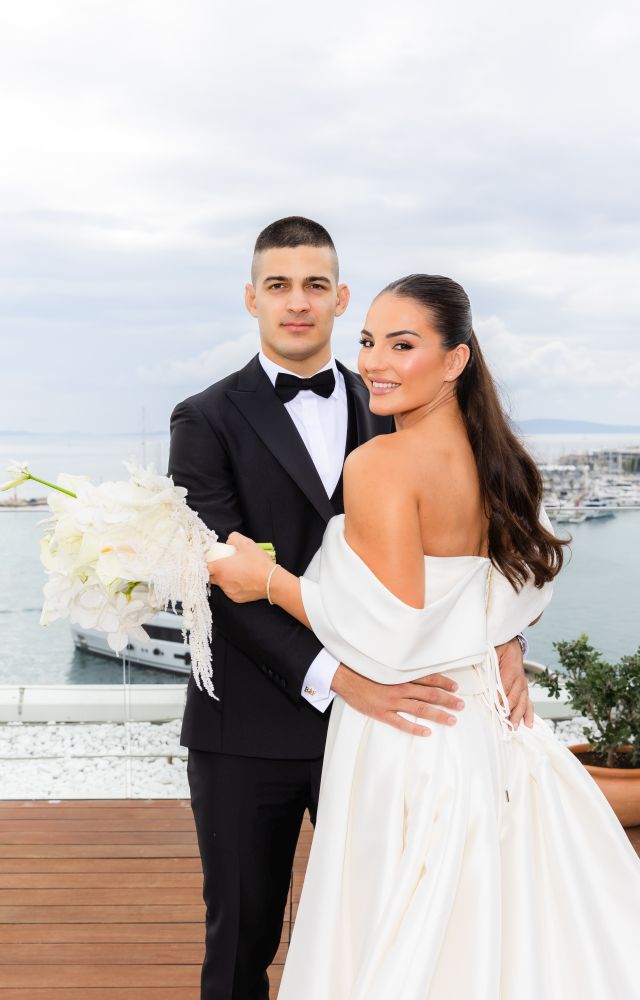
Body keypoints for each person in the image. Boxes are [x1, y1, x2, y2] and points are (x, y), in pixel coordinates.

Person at [211, 273, 640, 999]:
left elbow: (393, 629)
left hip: (409, 733)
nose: (374, 362)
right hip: (486, 727)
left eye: (402, 345)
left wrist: (264, 581)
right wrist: (504, 643)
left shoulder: (379, 464)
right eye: (367, 342)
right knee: (493, 937)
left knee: (401, 938)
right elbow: (524, 589)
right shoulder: (503, 461)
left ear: (455, 359)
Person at [168, 219, 533, 1000]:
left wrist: (504, 641)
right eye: (277, 285)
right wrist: (341, 679)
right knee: (240, 943)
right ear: (251, 299)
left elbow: (469, 548)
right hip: (252, 729)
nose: (296, 303)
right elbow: (217, 583)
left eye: (314, 286)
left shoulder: (397, 404)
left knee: (381, 937)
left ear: (339, 298)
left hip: (393, 732)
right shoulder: (203, 418)